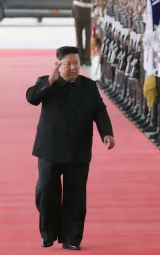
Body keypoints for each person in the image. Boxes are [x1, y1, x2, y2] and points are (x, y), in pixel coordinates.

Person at [26, 46, 115, 250]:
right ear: (58, 64)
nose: (73, 67)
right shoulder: (46, 82)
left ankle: (72, 238)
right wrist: (49, 81)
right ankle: (48, 233)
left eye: (76, 63)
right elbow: (31, 98)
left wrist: (107, 133)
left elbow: (100, 111)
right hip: (50, 149)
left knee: (76, 196)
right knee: (47, 191)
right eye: (68, 64)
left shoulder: (89, 86)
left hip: (78, 149)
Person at [56, 0, 96, 66]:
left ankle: (87, 58)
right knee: (79, 37)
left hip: (88, 12)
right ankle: (80, 58)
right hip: (78, 12)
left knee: (88, 37)